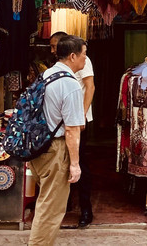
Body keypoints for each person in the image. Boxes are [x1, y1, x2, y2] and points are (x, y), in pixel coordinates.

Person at [30, 35, 86, 245]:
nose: (85, 58)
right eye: (84, 54)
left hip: (39, 147)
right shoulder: (70, 84)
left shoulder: (46, 75)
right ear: (72, 56)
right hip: (55, 149)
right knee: (50, 209)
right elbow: (71, 129)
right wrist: (75, 164)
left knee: (45, 203)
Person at [50, 31, 95, 227]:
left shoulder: (83, 61)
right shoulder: (57, 67)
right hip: (62, 124)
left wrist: (82, 114)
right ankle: (65, 203)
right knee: (62, 162)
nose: (52, 50)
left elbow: (90, 87)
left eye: (54, 46)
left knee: (79, 162)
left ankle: (85, 208)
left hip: (77, 122)